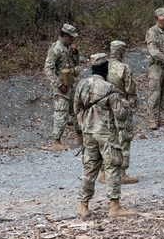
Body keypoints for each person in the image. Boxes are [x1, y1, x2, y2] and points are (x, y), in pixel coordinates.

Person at [74, 53, 134, 218]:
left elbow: (76, 108)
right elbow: (121, 114)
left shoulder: (82, 85)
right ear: (105, 69)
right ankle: (114, 206)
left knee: (89, 168)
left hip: (88, 132)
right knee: (112, 166)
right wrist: (126, 105)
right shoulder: (108, 88)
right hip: (106, 134)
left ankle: (83, 206)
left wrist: (83, 126)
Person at [105, 40, 139, 184]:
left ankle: (104, 172)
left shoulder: (102, 65)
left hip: (105, 106)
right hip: (120, 105)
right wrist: (133, 102)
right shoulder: (123, 68)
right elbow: (130, 89)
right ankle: (122, 172)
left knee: (107, 138)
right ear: (121, 52)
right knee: (124, 137)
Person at [44, 24, 82, 151]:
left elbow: (75, 63)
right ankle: (56, 141)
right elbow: (48, 69)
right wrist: (59, 84)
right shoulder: (56, 49)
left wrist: (75, 53)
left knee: (76, 110)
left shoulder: (67, 48)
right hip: (61, 86)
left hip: (70, 83)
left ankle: (80, 137)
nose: (73, 40)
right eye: (71, 37)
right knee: (61, 112)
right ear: (65, 36)